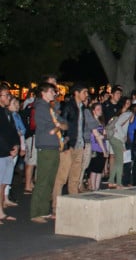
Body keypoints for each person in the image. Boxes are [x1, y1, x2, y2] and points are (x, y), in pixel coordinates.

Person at [30, 82, 67, 223]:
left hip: (52, 145)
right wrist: (58, 126)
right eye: (52, 91)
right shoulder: (40, 107)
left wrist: (58, 126)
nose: (54, 93)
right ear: (44, 93)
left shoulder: (48, 107)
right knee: (43, 180)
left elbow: (61, 124)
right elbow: (51, 128)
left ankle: (44, 209)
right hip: (45, 145)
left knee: (50, 179)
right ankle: (36, 212)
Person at [53, 84, 88, 216]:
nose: (86, 94)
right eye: (84, 91)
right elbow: (63, 125)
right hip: (69, 146)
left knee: (75, 177)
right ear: (77, 93)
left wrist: (82, 142)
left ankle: (74, 204)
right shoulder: (68, 106)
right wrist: (64, 144)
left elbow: (80, 127)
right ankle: (56, 206)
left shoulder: (82, 107)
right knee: (62, 176)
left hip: (78, 144)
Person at [0, 86, 20, 223]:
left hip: (8, 153)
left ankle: (1, 212)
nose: (9, 97)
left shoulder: (7, 112)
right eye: (6, 95)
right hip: (2, 152)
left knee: (3, 184)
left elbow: (13, 131)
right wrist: (8, 149)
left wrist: (17, 146)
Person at [106, 97, 133, 188]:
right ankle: (118, 183)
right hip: (118, 139)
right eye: (127, 102)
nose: (128, 104)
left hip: (113, 138)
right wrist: (123, 138)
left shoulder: (118, 114)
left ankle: (111, 181)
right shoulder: (128, 114)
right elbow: (117, 125)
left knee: (117, 161)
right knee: (120, 161)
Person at [88, 103, 108, 191]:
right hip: (95, 147)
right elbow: (97, 136)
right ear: (93, 111)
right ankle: (93, 186)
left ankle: (97, 186)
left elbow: (103, 135)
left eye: (101, 109)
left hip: (102, 146)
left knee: (99, 169)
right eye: (98, 109)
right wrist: (104, 150)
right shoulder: (93, 122)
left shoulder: (101, 122)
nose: (100, 111)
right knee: (94, 169)